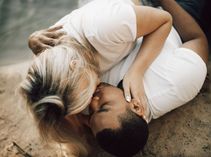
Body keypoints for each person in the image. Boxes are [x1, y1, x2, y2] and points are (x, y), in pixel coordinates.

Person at [20, 0, 172, 156]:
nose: (92, 101)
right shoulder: (49, 80)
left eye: (89, 94)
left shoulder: (107, 26)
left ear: (76, 66)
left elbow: (164, 19)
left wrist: (137, 71)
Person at [87, 0, 208, 156]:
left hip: (126, 11)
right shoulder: (176, 83)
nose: (92, 101)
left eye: (91, 113)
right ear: (137, 107)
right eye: (103, 106)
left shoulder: (101, 95)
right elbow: (196, 38)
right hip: (175, 10)